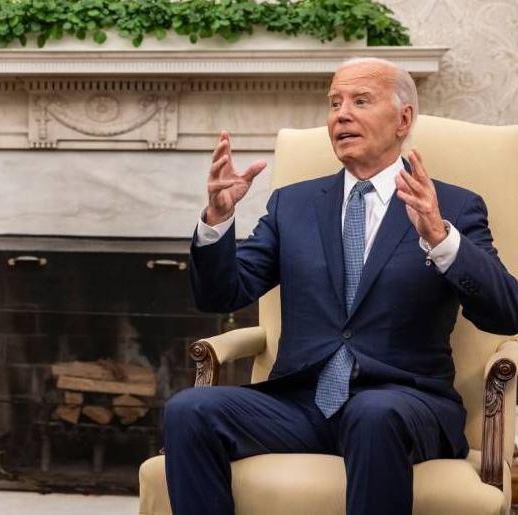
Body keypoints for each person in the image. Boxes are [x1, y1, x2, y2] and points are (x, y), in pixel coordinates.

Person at [164, 57, 518, 515]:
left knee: (371, 414)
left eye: (360, 101)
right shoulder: (293, 204)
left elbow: (506, 312)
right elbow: (220, 295)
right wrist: (218, 221)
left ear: (403, 119)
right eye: (334, 103)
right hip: (300, 406)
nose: (341, 114)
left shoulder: (452, 206)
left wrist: (441, 239)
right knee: (188, 410)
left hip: (405, 404)